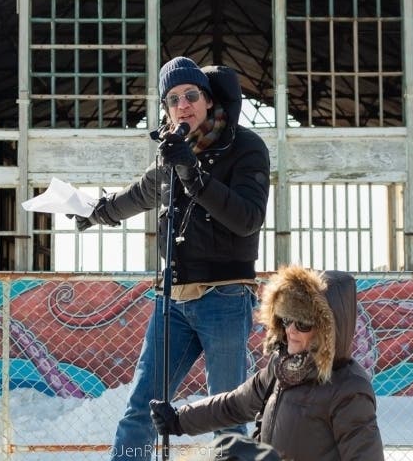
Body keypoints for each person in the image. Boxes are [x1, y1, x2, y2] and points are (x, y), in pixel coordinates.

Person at [75, 56, 271, 459]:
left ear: (207, 99)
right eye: (173, 99)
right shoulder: (170, 152)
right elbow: (138, 195)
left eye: (191, 95)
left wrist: (193, 175)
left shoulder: (246, 147)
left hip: (225, 298)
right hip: (173, 302)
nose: (183, 105)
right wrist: (92, 212)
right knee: (140, 410)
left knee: (227, 414)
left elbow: (248, 219)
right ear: (166, 109)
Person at [149, 266, 385, 461]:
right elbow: (236, 404)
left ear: (328, 332)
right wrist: (178, 420)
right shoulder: (282, 368)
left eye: (303, 323)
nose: (291, 330)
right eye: (286, 319)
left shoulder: (349, 388)